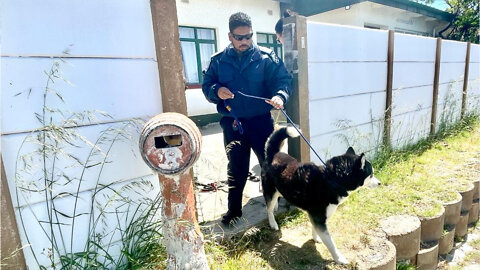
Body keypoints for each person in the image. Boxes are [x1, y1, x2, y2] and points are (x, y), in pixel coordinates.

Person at [202, 12, 292, 225]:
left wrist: (280, 95)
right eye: (239, 37)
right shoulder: (218, 60)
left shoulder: (266, 57)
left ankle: (279, 202)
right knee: (237, 168)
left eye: (248, 36)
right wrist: (217, 90)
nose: (244, 41)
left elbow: (284, 80)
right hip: (233, 124)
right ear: (230, 36)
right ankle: (234, 211)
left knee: (271, 165)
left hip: (261, 122)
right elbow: (207, 86)